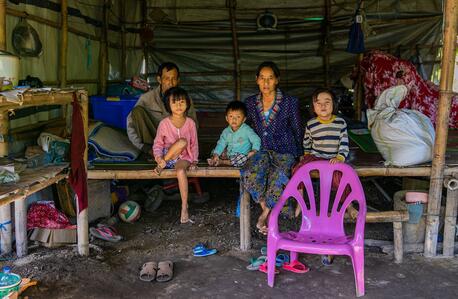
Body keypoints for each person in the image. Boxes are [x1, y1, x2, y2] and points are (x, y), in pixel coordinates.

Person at [292, 88, 357, 266]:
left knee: (341, 176)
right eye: (318, 102)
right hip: (315, 156)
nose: (323, 105)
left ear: (333, 105)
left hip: (333, 158)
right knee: (298, 168)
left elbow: (344, 143)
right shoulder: (311, 123)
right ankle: (300, 198)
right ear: (313, 106)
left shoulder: (340, 123)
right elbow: (307, 142)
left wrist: (340, 158)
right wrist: (306, 156)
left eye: (327, 102)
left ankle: (349, 206)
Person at [241, 61, 304, 235]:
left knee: (280, 176)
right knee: (250, 173)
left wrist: (300, 155)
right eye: (262, 78)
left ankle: (266, 215)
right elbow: (245, 129)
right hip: (261, 150)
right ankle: (266, 209)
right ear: (257, 80)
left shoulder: (290, 102)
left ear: (277, 80)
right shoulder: (250, 102)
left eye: (270, 78)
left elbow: (298, 128)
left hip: (285, 149)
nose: (266, 83)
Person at [126, 62, 198, 155]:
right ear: (159, 79)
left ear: (178, 80)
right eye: (167, 78)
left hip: (178, 143)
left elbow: (194, 124)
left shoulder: (184, 100)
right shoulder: (147, 98)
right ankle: (154, 153)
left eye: (174, 79)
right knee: (137, 111)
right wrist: (143, 147)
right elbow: (131, 124)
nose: (171, 83)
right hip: (154, 141)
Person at [152, 87, 198, 224]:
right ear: (168, 105)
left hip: (184, 158)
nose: (178, 106)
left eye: (182, 102)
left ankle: (184, 206)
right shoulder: (164, 124)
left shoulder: (190, 123)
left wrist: (194, 161)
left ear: (187, 104)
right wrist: (159, 158)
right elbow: (158, 144)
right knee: (181, 142)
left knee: (180, 170)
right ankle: (162, 163)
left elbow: (194, 144)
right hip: (167, 156)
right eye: (174, 102)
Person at [208, 101, 261, 167]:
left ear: (244, 119)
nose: (234, 119)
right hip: (229, 155)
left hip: (242, 156)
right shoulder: (226, 131)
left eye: (238, 117)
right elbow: (221, 143)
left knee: (243, 159)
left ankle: (221, 162)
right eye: (231, 116)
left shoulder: (247, 130)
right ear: (226, 118)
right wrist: (216, 154)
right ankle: (215, 160)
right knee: (215, 151)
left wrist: (254, 150)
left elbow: (256, 140)